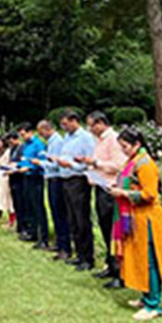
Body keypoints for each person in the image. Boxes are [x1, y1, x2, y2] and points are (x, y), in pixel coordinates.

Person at [107, 127, 162, 321]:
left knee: (151, 262)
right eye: (121, 147)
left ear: (137, 144)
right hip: (136, 217)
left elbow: (150, 194)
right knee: (142, 259)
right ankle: (146, 297)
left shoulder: (145, 164)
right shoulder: (133, 160)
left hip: (149, 218)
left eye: (125, 146)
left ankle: (154, 305)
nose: (123, 150)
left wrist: (124, 194)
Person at [77, 111, 127, 288]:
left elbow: (120, 165)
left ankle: (122, 273)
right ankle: (111, 265)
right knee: (106, 229)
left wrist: (96, 163)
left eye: (91, 125)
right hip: (100, 186)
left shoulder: (113, 139)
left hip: (110, 189)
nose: (89, 129)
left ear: (100, 123)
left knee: (114, 231)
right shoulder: (99, 141)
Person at [53, 110, 97, 271]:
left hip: (78, 180)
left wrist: (71, 165)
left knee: (81, 219)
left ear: (74, 121)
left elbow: (88, 162)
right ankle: (79, 254)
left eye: (65, 124)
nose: (63, 127)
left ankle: (88, 257)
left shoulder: (85, 138)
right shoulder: (67, 137)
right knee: (72, 219)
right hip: (65, 179)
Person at [32, 120, 71, 261]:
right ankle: (60, 243)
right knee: (55, 212)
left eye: (40, 131)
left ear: (46, 129)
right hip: (51, 178)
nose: (40, 135)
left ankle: (65, 247)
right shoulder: (52, 142)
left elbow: (55, 164)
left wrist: (40, 163)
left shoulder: (57, 142)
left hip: (57, 179)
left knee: (60, 213)